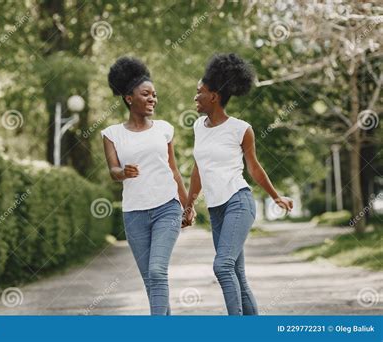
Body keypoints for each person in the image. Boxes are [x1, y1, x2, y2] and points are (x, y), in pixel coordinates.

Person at [183, 53, 293, 315]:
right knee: (237, 274)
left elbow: (254, 168)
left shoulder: (241, 128)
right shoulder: (199, 126)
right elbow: (199, 168)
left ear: (214, 96)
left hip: (238, 202)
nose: (195, 97)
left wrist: (276, 196)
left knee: (222, 266)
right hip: (216, 209)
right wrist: (188, 205)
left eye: (199, 92)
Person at [101, 56, 191, 315]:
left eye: (155, 95)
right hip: (134, 214)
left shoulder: (164, 129)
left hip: (167, 208)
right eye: (146, 94)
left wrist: (187, 205)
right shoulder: (111, 134)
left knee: (157, 270)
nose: (153, 99)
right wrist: (123, 172)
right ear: (129, 98)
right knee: (152, 281)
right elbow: (113, 171)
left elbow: (174, 170)